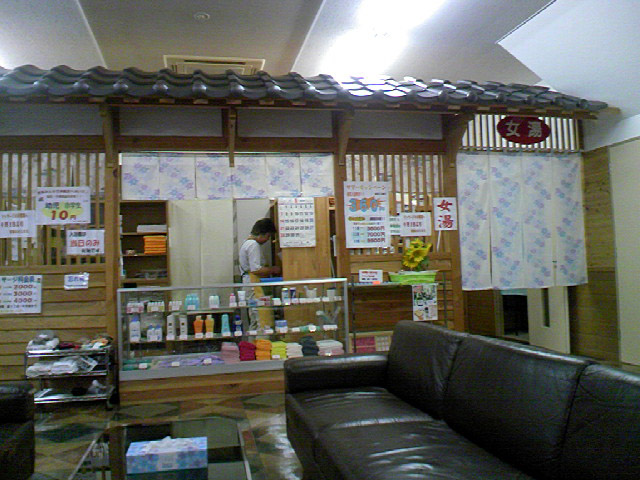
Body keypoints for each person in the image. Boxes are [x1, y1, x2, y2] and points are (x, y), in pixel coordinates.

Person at [239, 218, 281, 331]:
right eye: (268, 236)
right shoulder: (253, 245)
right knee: (260, 318)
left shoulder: (247, 243)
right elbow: (256, 269)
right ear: (264, 234)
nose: (267, 240)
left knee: (254, 318)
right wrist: (273, 270)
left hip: (249, 282)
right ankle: (260, 341)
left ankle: (255, 341)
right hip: (253, 284)